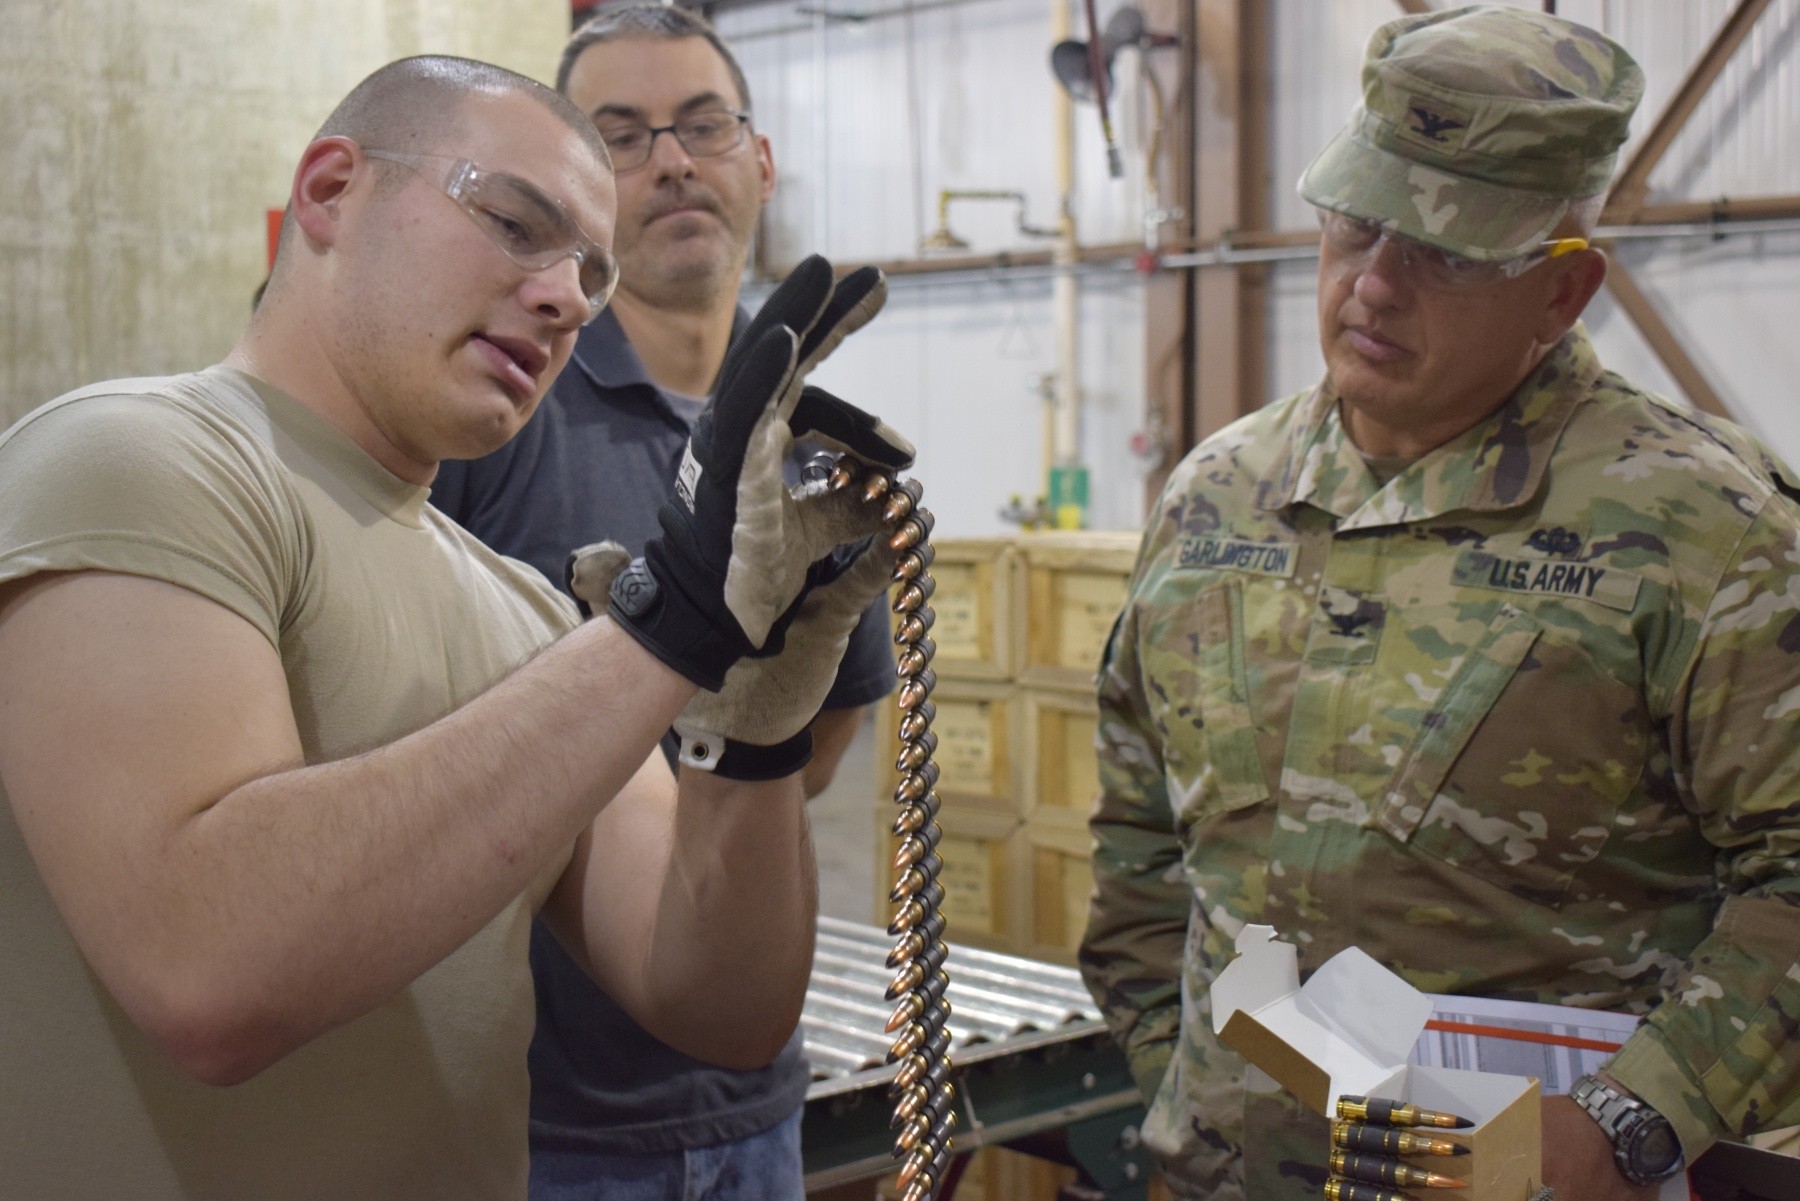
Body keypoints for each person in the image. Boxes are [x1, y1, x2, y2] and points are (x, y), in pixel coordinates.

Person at [0, 53, 910, 1201]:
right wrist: (667, 625)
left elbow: (715, 1003)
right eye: (514, 223)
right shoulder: (142, 458)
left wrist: (755, 741)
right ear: (332, 191)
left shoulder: (526, 612)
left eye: (590, 272)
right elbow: (209, 970)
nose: (567, 296)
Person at [1079, 7, 1800, 1201]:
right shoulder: (1220, 498)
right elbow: (1141, 829)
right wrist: (1184, 1078)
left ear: (1562, 296)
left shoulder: (1707, 535)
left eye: (1446, 253)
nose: (1372, 283)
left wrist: (1633, 1119)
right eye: (1357, 223)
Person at [428, 9, 893, 1199]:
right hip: (532, 1117)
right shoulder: (501, 404)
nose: (674, 160)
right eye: (622, 137)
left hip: (750, 1098)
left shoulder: (805, 432)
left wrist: (735, 734)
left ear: (761, 159)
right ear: (576, 187)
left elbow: (822, 730)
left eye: (703, 124)